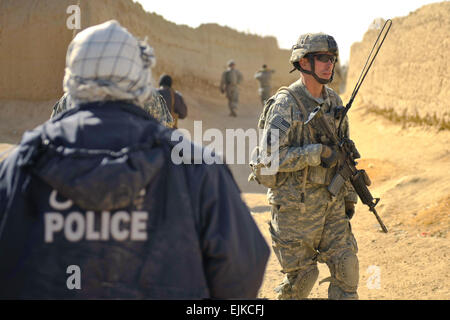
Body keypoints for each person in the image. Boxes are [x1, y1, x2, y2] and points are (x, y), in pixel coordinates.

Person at [0, 20, 269, 299]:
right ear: (140, 78)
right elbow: (241, 273)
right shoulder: (198, 167)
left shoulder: (19, 165)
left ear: (72, 78)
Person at [251, 33, 359, 300]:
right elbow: (267, 159)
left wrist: (349, 195)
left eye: (332, 59)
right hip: (296, 210)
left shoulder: (334, 101)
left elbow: (343, 152)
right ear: (302, 62)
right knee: (301, 282)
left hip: (331, 205)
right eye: (322, 58)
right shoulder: (285, 104)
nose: (329, 64)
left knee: (347, 271)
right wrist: (315, 153)